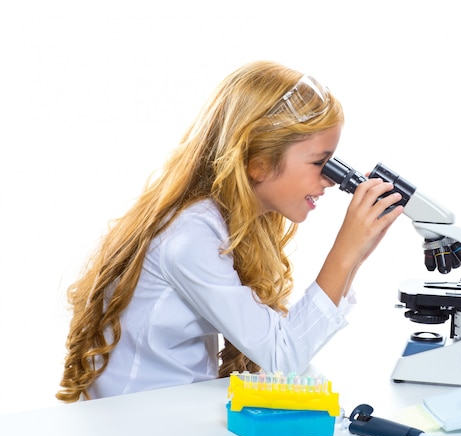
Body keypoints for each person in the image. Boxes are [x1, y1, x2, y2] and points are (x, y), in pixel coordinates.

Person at [56, 60, 404, 402]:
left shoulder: (224, 220)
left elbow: (276, 346)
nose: (330, 179)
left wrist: (357, 253)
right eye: (319, 162)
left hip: (166, 416)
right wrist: (344, 254)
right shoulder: (189, 237)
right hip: (141, 429)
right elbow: (281, 359)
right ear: (258, 161)